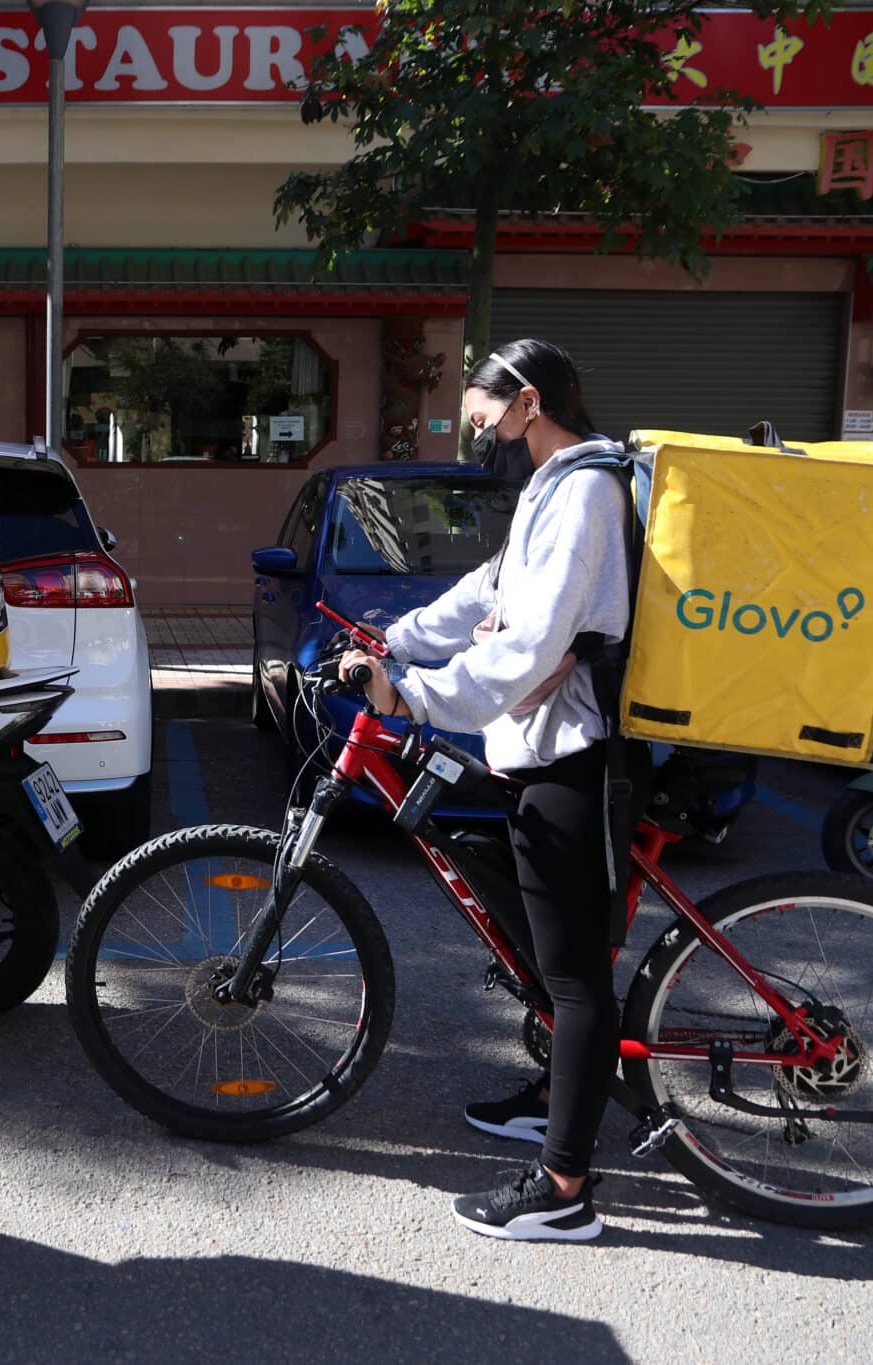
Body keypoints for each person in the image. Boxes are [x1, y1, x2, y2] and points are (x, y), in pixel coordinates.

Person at [338, 338, 645, 1243]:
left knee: (578, 976)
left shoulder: (588, 490)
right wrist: (397, 638)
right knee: (545, 951)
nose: (481, 441)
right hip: (538, 751)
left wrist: (418, 695)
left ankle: (565, 1191)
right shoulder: (554, 487)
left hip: (576, 757)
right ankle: (556, 1097)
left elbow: (531, 643)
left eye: (482, 422)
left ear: (528, 404)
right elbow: (488, 593)